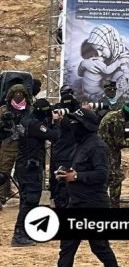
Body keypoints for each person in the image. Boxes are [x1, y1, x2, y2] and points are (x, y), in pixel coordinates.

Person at [55, 108, 119, 267]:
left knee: (100, 247)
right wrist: (65, 174)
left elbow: (102, 174)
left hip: (94, 204)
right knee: (67, 247)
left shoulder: (98, 147)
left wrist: (76, 176)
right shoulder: (79, 144)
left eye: (75, 122)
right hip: (76, 203)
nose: (72, 125)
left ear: (85, 125)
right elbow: (78, 169)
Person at [12, 98, 57, 247]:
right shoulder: (35, 125)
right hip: (30, 167)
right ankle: (19, 234)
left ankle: (24, 231)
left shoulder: (26, 121)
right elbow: (54, 135)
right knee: (30, 199)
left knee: (26, 199)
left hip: (24, 165)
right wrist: (55, 122)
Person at [98, 102, 129, 208]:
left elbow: (116, 134)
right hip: (109, 154)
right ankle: (113, 205)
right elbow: (119, 143)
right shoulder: (119, 120)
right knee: (115, 180)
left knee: (105, 179)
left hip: (102, 152)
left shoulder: (113, 114)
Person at [50, 86, 81, 209]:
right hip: (62, 153)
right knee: (60, 183)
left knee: (71, 183)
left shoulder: (78, 111)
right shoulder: (57, 110)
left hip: (72, 153)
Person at [0, 84, 28, 210]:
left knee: (24, 173)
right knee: (3, 172)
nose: (18, 96)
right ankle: (1, 197)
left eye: (21, 93)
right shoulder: (4, 109)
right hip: (8, 144)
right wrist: (4, 122)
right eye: (15, 93)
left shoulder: (29, 109)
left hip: (25, 146)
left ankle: (26, 198)